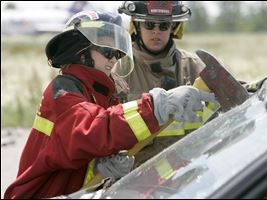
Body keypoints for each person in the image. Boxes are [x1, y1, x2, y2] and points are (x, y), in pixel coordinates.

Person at [4, 10, 215, 199]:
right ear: (81, 50)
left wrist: (97, 168)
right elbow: (93, 129)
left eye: (117, 53)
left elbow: (69, 155)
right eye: (107, 51)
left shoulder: (102, 93)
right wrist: (156, 106)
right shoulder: (64, 90)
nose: (114, 59)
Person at [118, 1, 212, 166]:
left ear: (173, 27)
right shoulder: (119, 68)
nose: (156, 31)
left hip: (186, 172)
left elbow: (229, 94)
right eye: (149, 24)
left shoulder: (192, 65)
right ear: (137, 26)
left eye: (163, 26)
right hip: (134, 178)